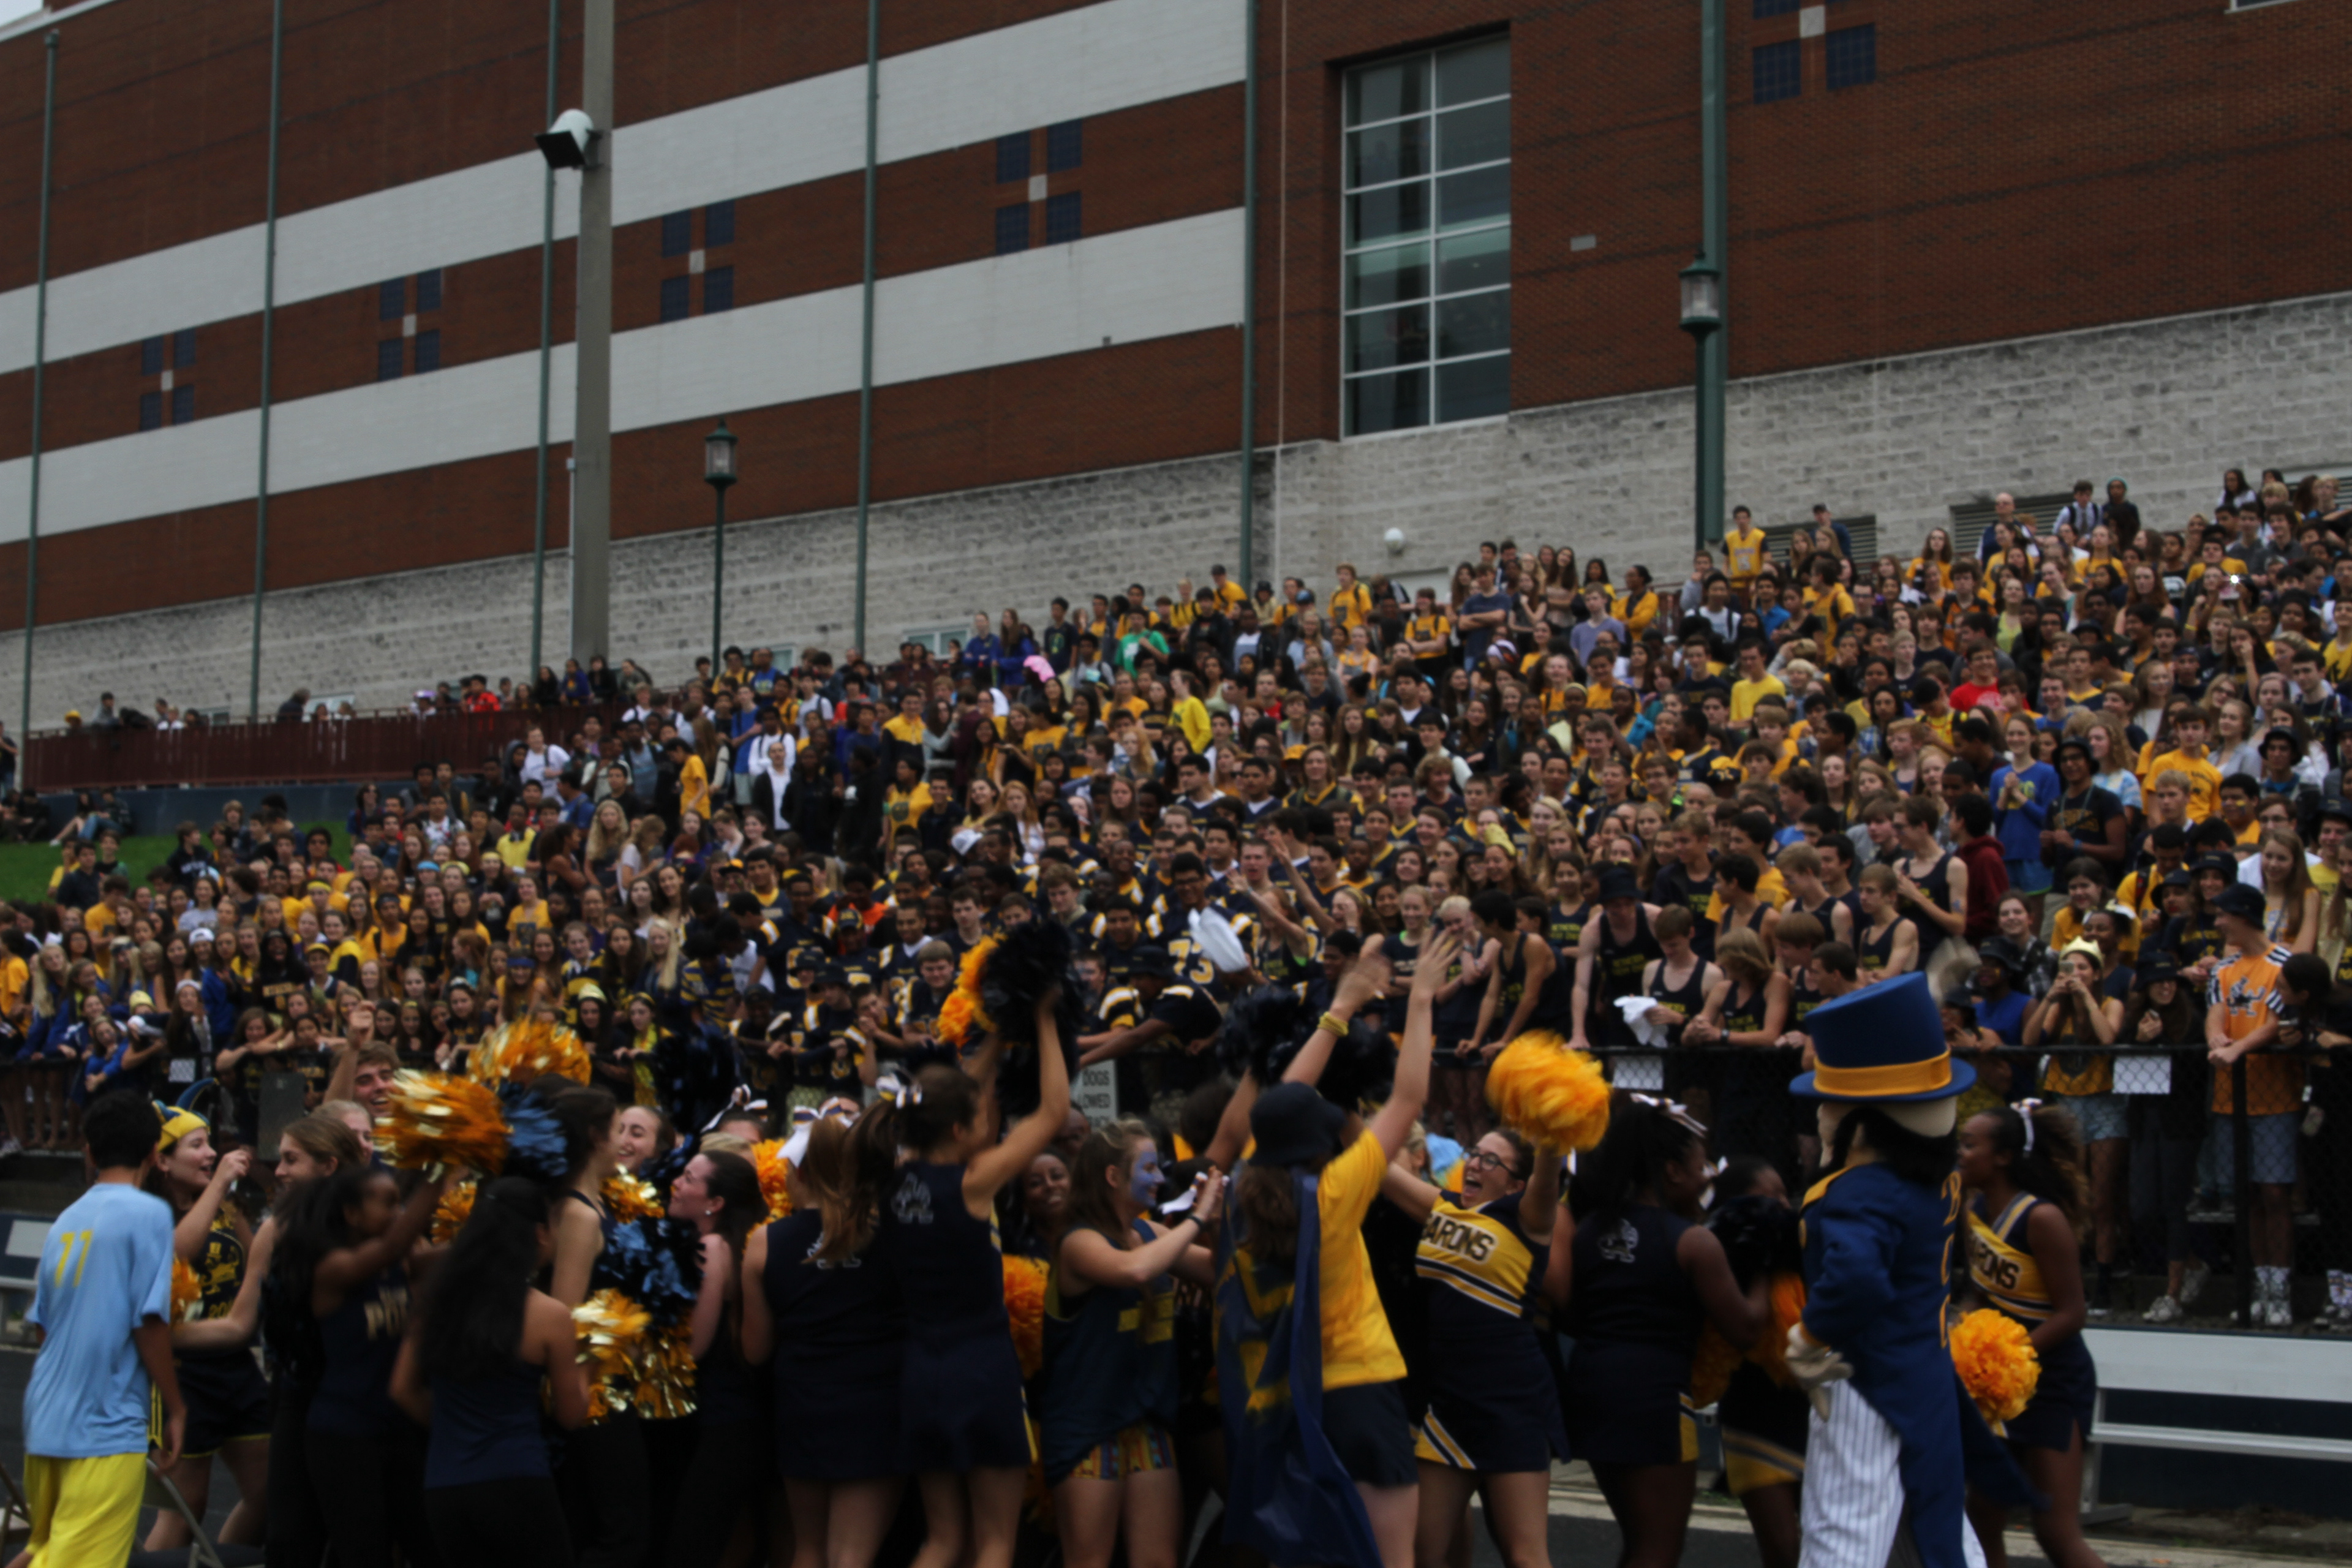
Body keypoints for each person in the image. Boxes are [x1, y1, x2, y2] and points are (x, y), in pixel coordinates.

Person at [1215, 937, 1453, 1568]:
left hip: (1290, 1399)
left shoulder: (1241, 1192)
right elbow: (1406, 1099)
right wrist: (1421, 1000)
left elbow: (1282, 1105)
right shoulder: (1333, 1194)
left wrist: (1337, 1010)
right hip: (1361, 1395)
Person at [1784, 972, 2017, 1568]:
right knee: (1937, 1535)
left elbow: (1858, 1277)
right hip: (1928, 1377)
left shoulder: (1862, 1190)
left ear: (1867, 1115)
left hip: (1865, 1381)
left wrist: (1809, 1337)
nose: (1820, 1112)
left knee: (1845, 1534)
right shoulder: (1936, 1179)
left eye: (1829, 1099)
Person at [875, 994, 1072, 1568]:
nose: (989, 1123)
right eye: (981, 1119)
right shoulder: (975, 1182)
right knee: (994, 1544)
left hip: (921, 1370)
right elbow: (1054, 1113)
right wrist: (1041, 1018)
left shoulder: (896, 1173)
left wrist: (995, 1042)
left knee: (941, 1542)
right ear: (961, 1130)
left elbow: (942, 1098)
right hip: (982, 1368)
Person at [1565, 1095, 1769, 1568]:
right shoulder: (1694, 1242)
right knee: (1658, 1548)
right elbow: (1745, 1329)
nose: (1709, 1176)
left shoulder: (1589, 1227)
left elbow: (1571, 1313)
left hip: (1591, 1390)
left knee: (1637, 1540)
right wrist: (1766, 1266)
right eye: (1702, 1166)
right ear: (1673, 1171)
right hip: (1656, 1401)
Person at [1378, 1118, 1565, 1568]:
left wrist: (1555, 1123)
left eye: (1490, 1160)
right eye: (1473, 1153)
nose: (1474, 1164)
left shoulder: (1529, 1218)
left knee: (1525, 1556)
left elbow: (1548, 1170)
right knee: (1420, 1552)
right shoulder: (1444, 1208)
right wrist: (1342, 1104)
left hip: (1511, 1403)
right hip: (1449, 1404)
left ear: (1516, 1183)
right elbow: (1377, 1166)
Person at [1040, 1120, 1224, 1568]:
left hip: (1146, 1423)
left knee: (1159, 1561)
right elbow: (1134, 1272)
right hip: (1088, 1427)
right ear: (1113, 1177)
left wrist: (1217, 1224)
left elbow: (1218, 1270)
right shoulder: (1078, 1242)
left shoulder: (1147, 1233)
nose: (1161, 1178)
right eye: (1149, 1168)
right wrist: (1194, 1219)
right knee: (1090, 1561)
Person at [391, 1178, 591, 1568]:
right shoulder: (549, 1316)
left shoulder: (436, 1302)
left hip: (444, 1488)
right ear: (538, 1234)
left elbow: (402, 1389)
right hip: (518, 1481)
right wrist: (592, 1362)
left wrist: (456, 1424)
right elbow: (571, 1415)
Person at [21, 1093, 183, 1568]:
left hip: (47, 1416)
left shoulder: (65, 1219)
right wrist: (175, 1408)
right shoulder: (149, 1214)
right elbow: (149, 1322)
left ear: (88, 1151)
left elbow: (43, 1329)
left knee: (45, 1551)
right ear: (155, 1154)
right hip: (106, 1425)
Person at [744, 1117, 906, 1568]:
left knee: (809, 1551)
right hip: (876, 1407)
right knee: (851, 1555)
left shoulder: (764, 1242)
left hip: (803, 1406)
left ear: (798, 1174)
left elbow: (755, 1350)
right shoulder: (890, 1231)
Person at [276, 1158, 450, 1568]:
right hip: (344, 1436)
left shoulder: (398, 1264)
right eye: (388, 1203)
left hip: (396, 1427)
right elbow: (393, 1244)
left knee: (427, 1545)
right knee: (364, 1555)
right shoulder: (334, 1268)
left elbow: (450, 1257)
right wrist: (439, 1176)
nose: (399, 1213)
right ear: (352, 1215)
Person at [1959, 1103, 2106, 1568]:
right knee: (1981, 1518)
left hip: (2054, 1383)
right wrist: (1963, 1340)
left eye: (1970, 1144)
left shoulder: (2041, 1219)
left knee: (2056, 1533)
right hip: (1999, 1387)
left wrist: (2011, 1354)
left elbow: (2072, 1313)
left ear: (2003, 1156)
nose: (1959, 1154)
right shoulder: (1973, 1208)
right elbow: (1978, 1294)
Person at [145, 1108, 269, 1551]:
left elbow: (259, 1262)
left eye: (209, 1144)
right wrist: (218, 1183)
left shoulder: (228, 1206)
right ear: (162, 1160)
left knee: (267, 1495)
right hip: (182, 1372)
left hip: (235, 1364)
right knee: (185, 1509)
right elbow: (175, 1256)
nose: (211, 1153)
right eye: (196, 1146)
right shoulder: (148, 1212)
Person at [661, 1149, 774, 1568]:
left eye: (689, 1178)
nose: (676, 1182)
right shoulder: (731, 1242)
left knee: (692, 1547)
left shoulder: (711, 1247)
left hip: (726, 1423)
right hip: (736, 1420)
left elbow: (694, 1344)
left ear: (715, 1203)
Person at [2204, 883, 2302, 1326]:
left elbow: (2281, 1022)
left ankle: (2280, 1288)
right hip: (2230, 1099)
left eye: (2223, 916)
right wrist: (2216, 1039)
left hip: (2274, 1095)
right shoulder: (2223, 968)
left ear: (2243, 916)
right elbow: (2214, 1010)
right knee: (2246, 1196)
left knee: (2276, 1193)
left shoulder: (2284, 963)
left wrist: (2238, 1050)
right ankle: (2257, 1286)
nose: (2218, 923)